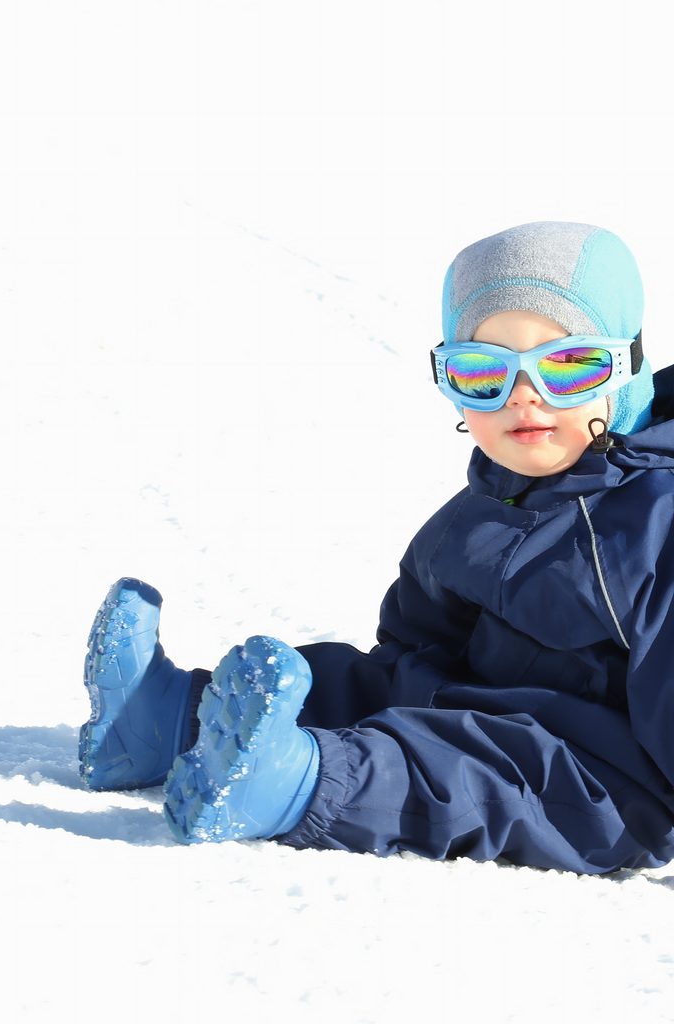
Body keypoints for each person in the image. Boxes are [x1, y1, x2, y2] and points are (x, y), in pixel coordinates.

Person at [78, 221, 674, 874]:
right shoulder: (491, 501)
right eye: (483, 373)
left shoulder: (657, 519)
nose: (524, 397)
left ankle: (292, 783)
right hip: (478, 710)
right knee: (357, 682)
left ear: (628, 366)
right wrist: (398, 681)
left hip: (601, 784)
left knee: (464, 766)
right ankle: (164, 723)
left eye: (568, 366)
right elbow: (419, 632)